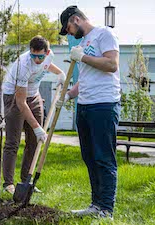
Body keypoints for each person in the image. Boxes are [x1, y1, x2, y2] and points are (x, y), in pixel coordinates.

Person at [58, 5, 121, 219]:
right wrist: (67, 95)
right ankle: (96, 205)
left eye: (68, 28)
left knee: (104, 157)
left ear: (76, 19)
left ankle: (106, 210)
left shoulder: (105, 33)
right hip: (84, 105)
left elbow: (112, 64)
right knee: (89, 157)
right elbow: (84, 80)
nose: (69, 33)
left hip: (103, 104)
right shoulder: (83, 42)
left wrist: (82, 58)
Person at [2, 35, 66, 194]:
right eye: (33, 55)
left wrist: (60, 73)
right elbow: (21, 103)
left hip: (34, 95)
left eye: (40, 56)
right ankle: (8, 184)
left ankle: (26, 181)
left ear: (47, 52)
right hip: (14, 97)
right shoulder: (22, 66)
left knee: (34, 141)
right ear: (29, 52)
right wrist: (38, 127)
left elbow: (47, 65)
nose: (37, 60)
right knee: (13, 141)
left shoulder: (48, 56)